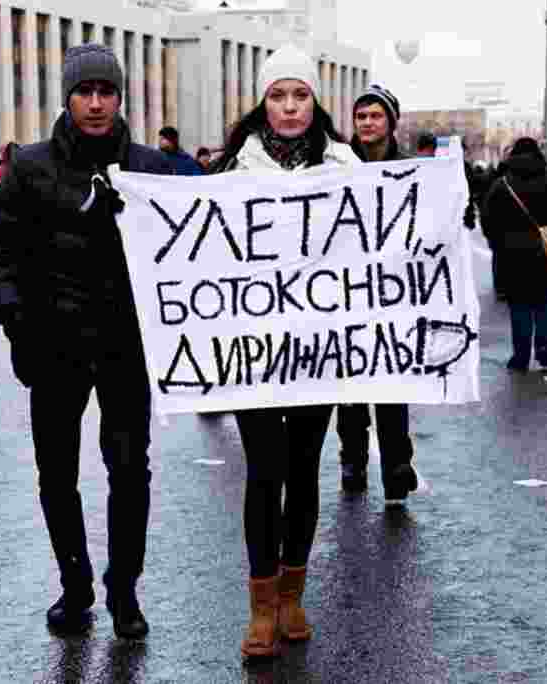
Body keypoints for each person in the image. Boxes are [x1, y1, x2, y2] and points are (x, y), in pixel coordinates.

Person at [0, 43, 174, 640]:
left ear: (120, 98)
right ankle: (75, 586)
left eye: (106, 92)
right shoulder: (30, 165)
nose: (95, 103)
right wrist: (14, 316)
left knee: (129, 471)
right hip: (54, 346)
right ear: (67, 97)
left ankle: (124, 591)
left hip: (125, 346)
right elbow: (0, 251)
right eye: (85, 91)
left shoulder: (149, 166)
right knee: (56, 474)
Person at [211, 44, 359, 661]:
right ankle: (262, 606)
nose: (291, 106)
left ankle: (294, 594)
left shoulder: (348, 164)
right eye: (278, 95)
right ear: (262, 102)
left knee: (303, 471)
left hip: (318, 353)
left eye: (300, 95)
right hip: (254, 353)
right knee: (263, 472)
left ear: (316, 100)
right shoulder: (228, 172)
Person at [335, 84, 419, 504]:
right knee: (349, 387)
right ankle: (352, 459)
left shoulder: (411, 171)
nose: (367, 123)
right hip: (344, 294)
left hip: (392, 295)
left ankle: (397, 467)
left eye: (375, 116)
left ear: (390, 122)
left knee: (390, 385)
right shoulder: (336, 166)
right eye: (361, 116)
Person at [481, 137, 547, 373]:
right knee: (544, 302)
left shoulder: (502, 185)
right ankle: (544, 351)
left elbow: (488, 221)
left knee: (519, 304)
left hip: (512, 257)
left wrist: (498, 243)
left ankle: (520, 357)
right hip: (544, 254)